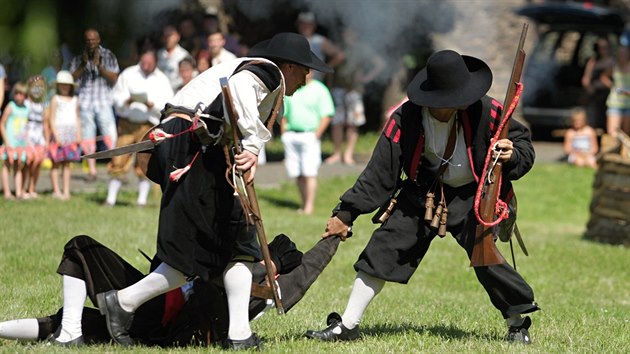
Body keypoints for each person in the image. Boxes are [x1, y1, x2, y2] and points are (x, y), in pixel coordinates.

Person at [94, 32, 332, 350]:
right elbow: (237, 90)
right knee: (190, 258)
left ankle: (238, 334)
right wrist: (251, 143)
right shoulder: (268, 71)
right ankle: (122, 302)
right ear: (288, 66)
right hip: (189, 148)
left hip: (200, 152)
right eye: (304, 69)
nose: (307, 77)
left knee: (239, 247)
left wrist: (246, 153)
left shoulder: (264, 75)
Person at [304, 50, 538, 344]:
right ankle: (348, 325)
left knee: (487, 260)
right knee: (382, 249)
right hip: (423, 192)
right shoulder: (406, 117)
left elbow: (524, 148)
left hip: (472, 196)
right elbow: (379, 173)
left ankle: (517, 324)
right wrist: (346, 213)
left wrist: (512, 153)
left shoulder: (488, 110)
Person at [0, 232, 341, 347]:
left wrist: (334, 238)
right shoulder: (232, 259)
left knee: (80, 249)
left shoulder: (262, 293)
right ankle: (66, 333)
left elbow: (307, 270)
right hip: (150, 309)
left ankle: (70, 334)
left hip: (160, 318)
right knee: (80, 257)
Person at [105, 49, 173, 207]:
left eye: (150, 63)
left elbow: (168, 103)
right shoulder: (128, 74)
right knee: (119, 159)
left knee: (144, 162)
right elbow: (116, 97)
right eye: (144, 63)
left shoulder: (162, 79)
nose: (146, 66)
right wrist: (126, 101)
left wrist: (152, 105)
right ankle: (110, 199)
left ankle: (141, 201)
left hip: (148, 124)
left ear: (155, 63)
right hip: (127, 122)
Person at [324, 27, 385, 165]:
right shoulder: (338, 47)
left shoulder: (363, 49)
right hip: (338, 89)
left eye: (351, 32)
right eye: (346, 32)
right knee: (337, 122)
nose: (348, 35)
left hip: (355, 90)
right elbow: (328, 68)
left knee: (353, 123)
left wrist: (366, 78)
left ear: (356, 34)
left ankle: (348, 155)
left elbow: (379, 64)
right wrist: (336, 60)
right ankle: (337, 154)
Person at [281, 70, 334, 214]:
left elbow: (327, 114)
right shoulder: (293, 86)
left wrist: (316, 134)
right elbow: (283, 111)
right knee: (297, 173)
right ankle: (303, 203)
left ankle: (309, 206)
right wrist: (284, 132)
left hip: (309, 134)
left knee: (309, 172)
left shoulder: (320, 89)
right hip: (291, 134)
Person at [70, 28, 120, 182]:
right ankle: (92, 171)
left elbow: (114, 78)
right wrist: (84, 64)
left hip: (103, 101)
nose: (91, 43)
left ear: (99, 40)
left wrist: (99, 67)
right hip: (85, 102)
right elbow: (71, 79)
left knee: (110, 135)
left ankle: (115, 167)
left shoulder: (109, 55)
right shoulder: (79, 58)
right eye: (88, 40)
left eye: (94, 40)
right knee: (88, 137)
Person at [48, 71, 81, 200]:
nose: (64, 87)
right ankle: (56, 190)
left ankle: (66, 190)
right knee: (56, 162)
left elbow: (77, 118)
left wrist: (79, 134)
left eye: (67, 85)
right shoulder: (55, 99)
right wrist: (56, 136)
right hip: (59, 134)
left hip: (71, 134)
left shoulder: (75, 100)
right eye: (62, 84)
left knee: (67, 164)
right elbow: (51, 118)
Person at [295, 11, 345, 82]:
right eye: (302, 24)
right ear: (298, 24)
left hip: (315, 82)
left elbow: (340, 56)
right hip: (296, 82)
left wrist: (325, 70)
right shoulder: (293, 40)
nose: (305, 26)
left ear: (313, 25)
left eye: (308, 24)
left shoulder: (319, 41)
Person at [0, 82, 29, 200]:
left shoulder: (26, 109)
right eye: (17, 93)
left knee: (18, 167)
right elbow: (2, 124)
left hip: (20, 144)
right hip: (10, 143)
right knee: (7, 165)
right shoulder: (11, 106)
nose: (19, 96)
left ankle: (18, 193)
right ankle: (7, 192)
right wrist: (6, 141)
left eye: (22, 94)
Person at [22, 75, 48, 199]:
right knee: (27, 163)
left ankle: (32, 188)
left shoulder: (43, 104)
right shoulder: (26, 103)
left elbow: (45, 123)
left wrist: (47, 139)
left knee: (37, 163)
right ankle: (22, 188)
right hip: (29, 135)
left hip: (39, 135)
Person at [581, 36, 614, 130]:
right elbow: (586, 79)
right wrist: (589, 88)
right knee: (591, 115)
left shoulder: (613, 61)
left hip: (608, 93)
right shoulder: (593, 61)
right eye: (600, 47)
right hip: (594, 92)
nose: (603, 50)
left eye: (605, 47)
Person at [603, 45, 630, 136]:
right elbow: (603, 77)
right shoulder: (614, 67)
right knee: (612, 133)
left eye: (624, 54)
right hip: (615, 103)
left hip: (628, 104)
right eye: (620, 54)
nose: (622, 56)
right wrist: (612, 86)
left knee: (626, 134)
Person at [157, 24, 192, 91]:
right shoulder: (159, 54)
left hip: (178, 91)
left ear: (178, 37)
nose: (168, 38)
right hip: (160, 91)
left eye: (170, 35)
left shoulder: (184, 55)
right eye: (165, 36)